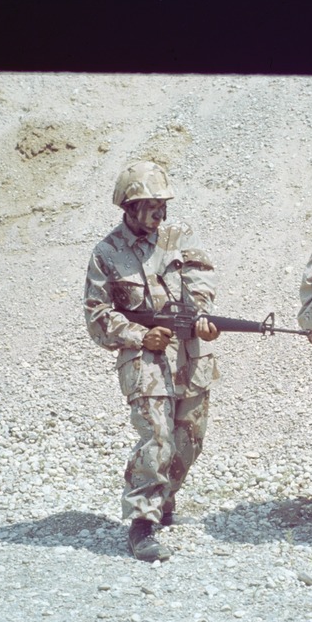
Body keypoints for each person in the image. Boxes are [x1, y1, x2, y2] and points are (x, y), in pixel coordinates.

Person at [84, 160, 220, 562]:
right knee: (156, 437)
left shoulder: (180, 237)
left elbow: (201, 281)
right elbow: (96, 315)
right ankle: (141, 522)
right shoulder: (107, 253)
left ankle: (164, 500)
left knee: (189, 439)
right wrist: (141, 335)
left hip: (190, 353)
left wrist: (201, 318)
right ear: (129, 207)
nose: (160, 213)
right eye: (151, 205)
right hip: (143, 356)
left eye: (163, 204)